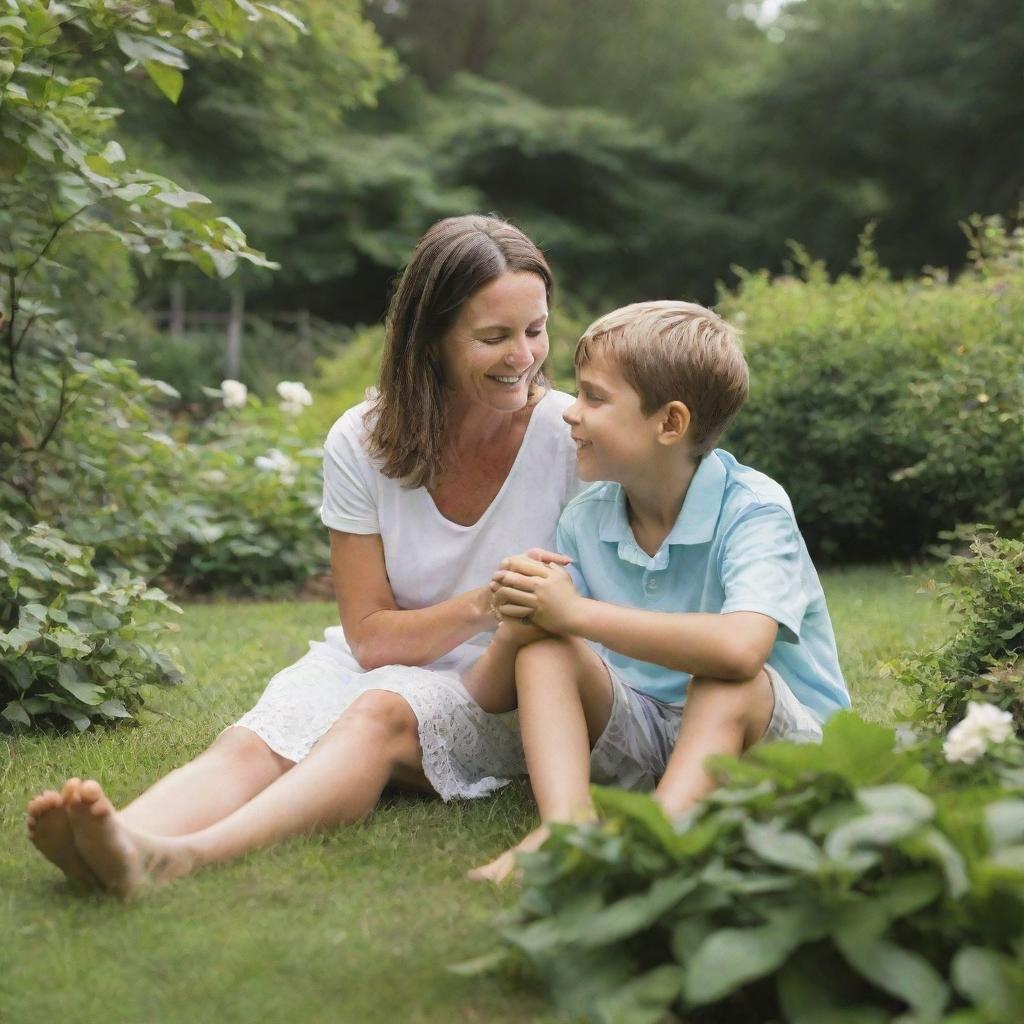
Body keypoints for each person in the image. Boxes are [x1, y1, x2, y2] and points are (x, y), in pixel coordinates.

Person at [25, 214, 580, 898]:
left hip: (501, 687)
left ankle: (180, 856)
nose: (524, 357)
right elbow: (370, 637)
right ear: (430, 340)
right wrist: (483, 603)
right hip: (381, 654)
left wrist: (500, 619)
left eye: (536, 329)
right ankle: (115, 837)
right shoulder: (365, 438)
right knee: (257, 739)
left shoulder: (573, 438)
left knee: (378, 712)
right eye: (494, 337)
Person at [463, 300, 850, 883]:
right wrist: (526, 618)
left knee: (726, 679)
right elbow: (489, 697)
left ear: (670, 423)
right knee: (547, 649)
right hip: (646, 735)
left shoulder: (753, 510)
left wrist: (576, 612)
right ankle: (566, 829)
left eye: (594, 397)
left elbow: (744, 648)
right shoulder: (585, 517)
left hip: (772, 749)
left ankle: (655, 842)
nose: (571, 412)